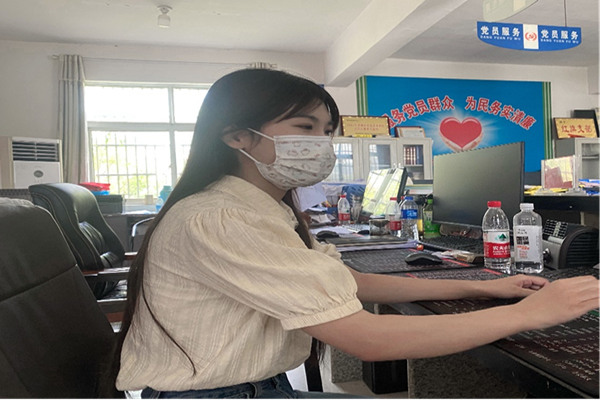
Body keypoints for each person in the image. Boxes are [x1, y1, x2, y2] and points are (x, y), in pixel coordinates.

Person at [105, 68, 600, 400]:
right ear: (237, 135)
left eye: (327, 131)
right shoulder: (222, 218)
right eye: (305, 127)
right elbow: (368, 339)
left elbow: (350, 283)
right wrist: (531, 313)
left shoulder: (255, 208)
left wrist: (485, 288)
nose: (322, 143)